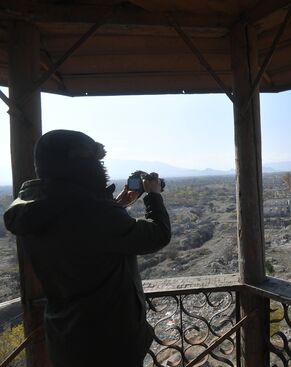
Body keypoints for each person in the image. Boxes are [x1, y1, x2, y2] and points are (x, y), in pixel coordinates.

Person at [3, 130, 171, 367]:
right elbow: (157, 236)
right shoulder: (93, 213)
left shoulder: (32, 207)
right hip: (109, 342)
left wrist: (113, 206)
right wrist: (153, 196)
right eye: (96, 162)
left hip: (66, 339)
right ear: (83, 165)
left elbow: (78, 230)